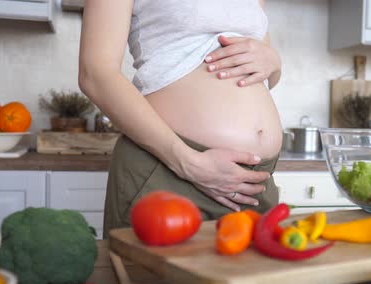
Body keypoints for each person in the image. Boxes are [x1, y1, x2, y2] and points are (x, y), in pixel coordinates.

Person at [79, 0, 283, 236]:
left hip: (255, 183)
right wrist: (188, 163)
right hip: (171, 170)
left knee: (256, 273)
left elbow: (264, 75)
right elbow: (95, 74)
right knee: (153, 274)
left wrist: (275, 63)